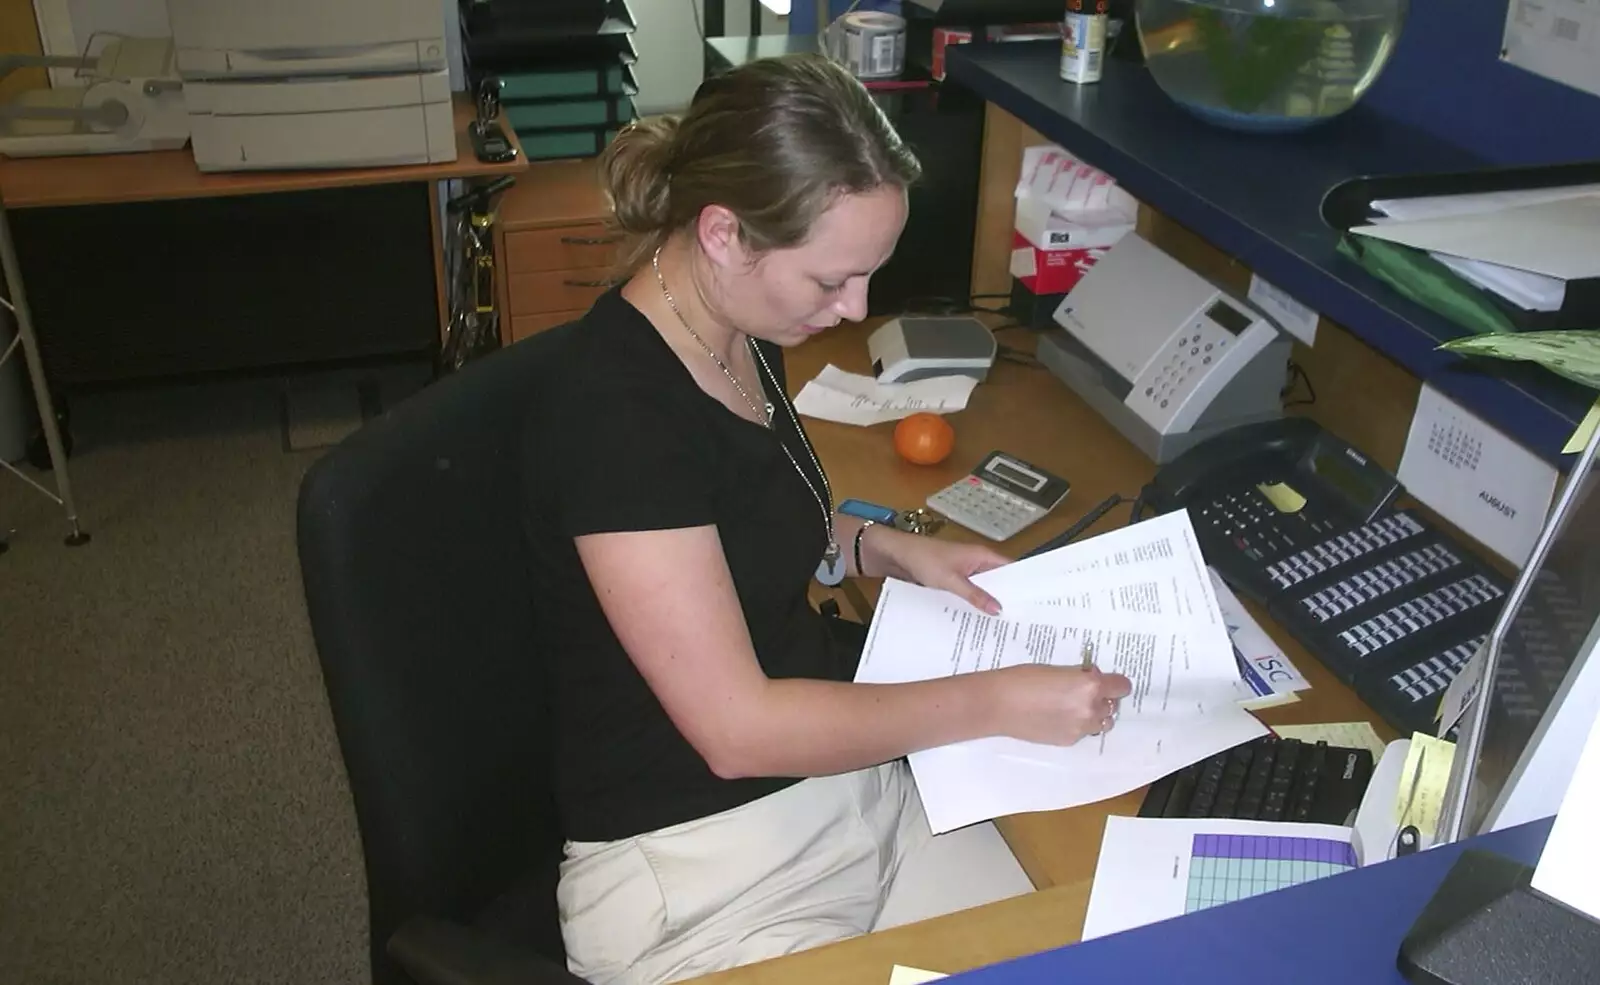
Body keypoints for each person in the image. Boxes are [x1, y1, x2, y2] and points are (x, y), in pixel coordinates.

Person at [519, 53, 1132, 985]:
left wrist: (885, 547)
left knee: (1112, 936)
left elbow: (740, 520)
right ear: (724, 234)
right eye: (832, 281)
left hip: (842, 801)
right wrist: (997, 698)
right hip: (701, 883)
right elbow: (739, 728)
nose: (857, 309)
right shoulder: (612, 418)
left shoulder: (736, 328)